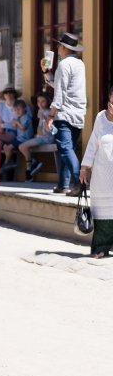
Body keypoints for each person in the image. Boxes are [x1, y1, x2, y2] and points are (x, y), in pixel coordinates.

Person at [43, 33, 87, 195]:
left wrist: (51, 115)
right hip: (78, 113)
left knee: (65, 148)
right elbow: (62, 86)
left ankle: (79, 182)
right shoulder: (79, 64)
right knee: (68, 149)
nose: (57, 48)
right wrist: (46, 72)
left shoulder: (64, 64)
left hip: (65, 113)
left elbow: (60, 93)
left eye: (59, 45)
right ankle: (63, 184)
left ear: (64, 48)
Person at [80, 87, 113, 258]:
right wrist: (85, 167)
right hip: (102, 176)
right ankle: (100, 248)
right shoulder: (101, 117)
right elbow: (93, 142)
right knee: (102, 214)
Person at [20, 94, 54, 180]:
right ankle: (31, 165)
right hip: (40, 137)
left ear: (48, 102)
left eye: (43, 101)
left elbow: (51, 129)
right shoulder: (40, 111)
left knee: (22, 146)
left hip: (46, 138)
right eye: (38, 101)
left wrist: (43, 118)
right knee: (25, 147)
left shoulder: (49, 113)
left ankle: (31, 165)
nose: (40, 103)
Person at [0, 99, 33, 180]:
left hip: (25, 139)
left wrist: (17, 123)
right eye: (15, 110)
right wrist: (14, 123)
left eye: (19, 109)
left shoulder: (26, 117)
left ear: (24, 109)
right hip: (19, 139)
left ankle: (6, 164)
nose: (17, 111)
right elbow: (14, 127)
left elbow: (23, 128)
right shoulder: (19, 118)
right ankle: (9, 163)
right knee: (5, 147)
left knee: (9, 147)